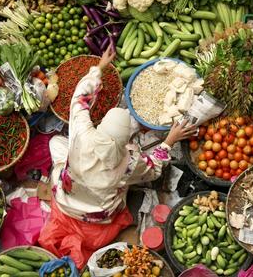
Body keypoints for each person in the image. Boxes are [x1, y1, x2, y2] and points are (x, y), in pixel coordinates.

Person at [38, 44, 197, 269]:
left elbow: (79, 99)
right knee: (133, 179)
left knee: (56, 142)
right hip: (98, 214)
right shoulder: (128, 164)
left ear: (101, 125)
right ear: (125, 141)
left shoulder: (82, 132)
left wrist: (98, 68)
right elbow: (153, 167)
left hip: (65, 196)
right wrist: (170, 140)